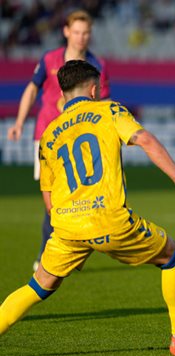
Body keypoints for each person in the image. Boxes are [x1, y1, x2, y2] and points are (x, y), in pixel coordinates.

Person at [0, 60, 175, 356]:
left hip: (66, 225)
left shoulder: (51, 134)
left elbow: (47, 190)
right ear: (93, 90)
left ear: (62, 94)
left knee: (38, 286)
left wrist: (62, 229)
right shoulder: (109, 110)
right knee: (172, 256)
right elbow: (143, 138)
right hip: (107, 217)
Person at [6, 10, 110, 271]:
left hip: (78, 139)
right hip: (47, 136)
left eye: (85, 33)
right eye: (76, 32)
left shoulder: (97, 65)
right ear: (66, 32)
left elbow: (103, 103)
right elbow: (32, 89)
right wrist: (19, 122)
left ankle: (64, 254)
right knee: (52, 196)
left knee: (74, 196)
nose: (81, 37)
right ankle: (47, 256)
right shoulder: (50, 59)